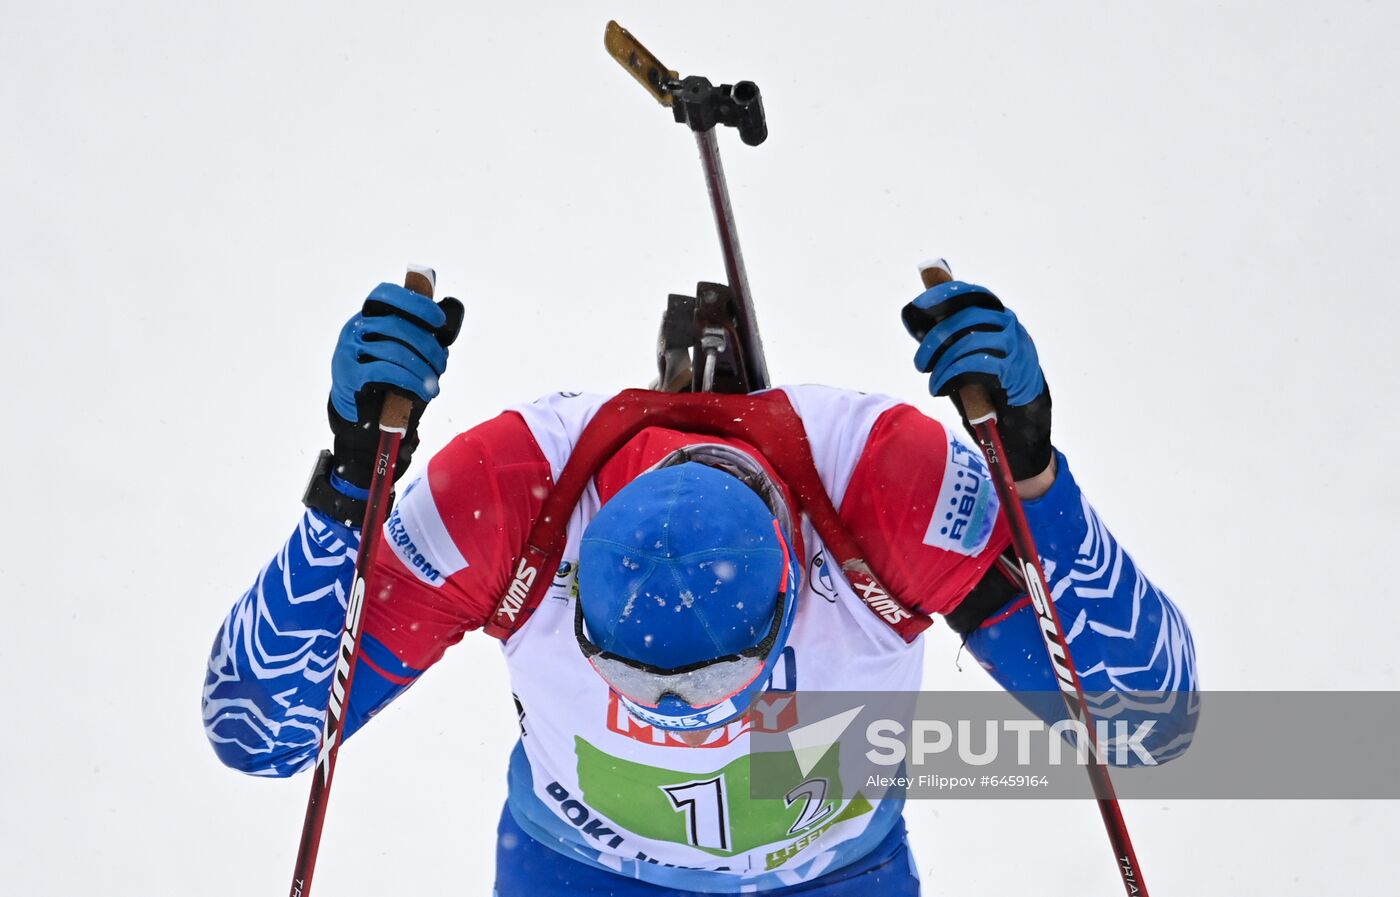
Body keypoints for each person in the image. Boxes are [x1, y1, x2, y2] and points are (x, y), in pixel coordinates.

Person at [202, 276, 1197, 895]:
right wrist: (347, 486)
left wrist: (1030, 481)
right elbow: (259, 728)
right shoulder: (512, 500)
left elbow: (1148, 721)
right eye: (634, 683)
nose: (684, 724)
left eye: (715, 683)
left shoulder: (884, 492)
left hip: (832, 881)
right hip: (580, 874)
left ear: (788, 589)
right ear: (578, 583)